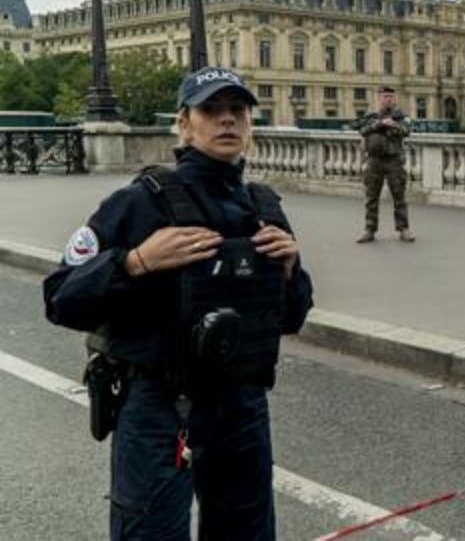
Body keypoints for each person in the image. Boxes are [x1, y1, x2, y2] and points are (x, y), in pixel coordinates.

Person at [43, 66, 314, 540]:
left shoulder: (264, 208)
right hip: (160, 407)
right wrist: (135, 262)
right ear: (184, 124)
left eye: (237, 110)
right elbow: (61, 298)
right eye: (211, 110)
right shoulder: (138, 202)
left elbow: (289, 319)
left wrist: (291, 271)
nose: (226, 120)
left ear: (250, 123)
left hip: (241, 405)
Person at [356, 86, 413, 243]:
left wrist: (392, 124)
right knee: (371, 196)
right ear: (379, 98)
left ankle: (404, 229)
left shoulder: (400, 117)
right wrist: (379, 124)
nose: (388, 99)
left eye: (391, 96)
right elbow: (361, 130)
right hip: (374, 160)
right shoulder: (371, 117)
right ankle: (369, 229)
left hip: (394, 160)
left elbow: (408, 130)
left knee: (399, 196)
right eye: (385, 96)